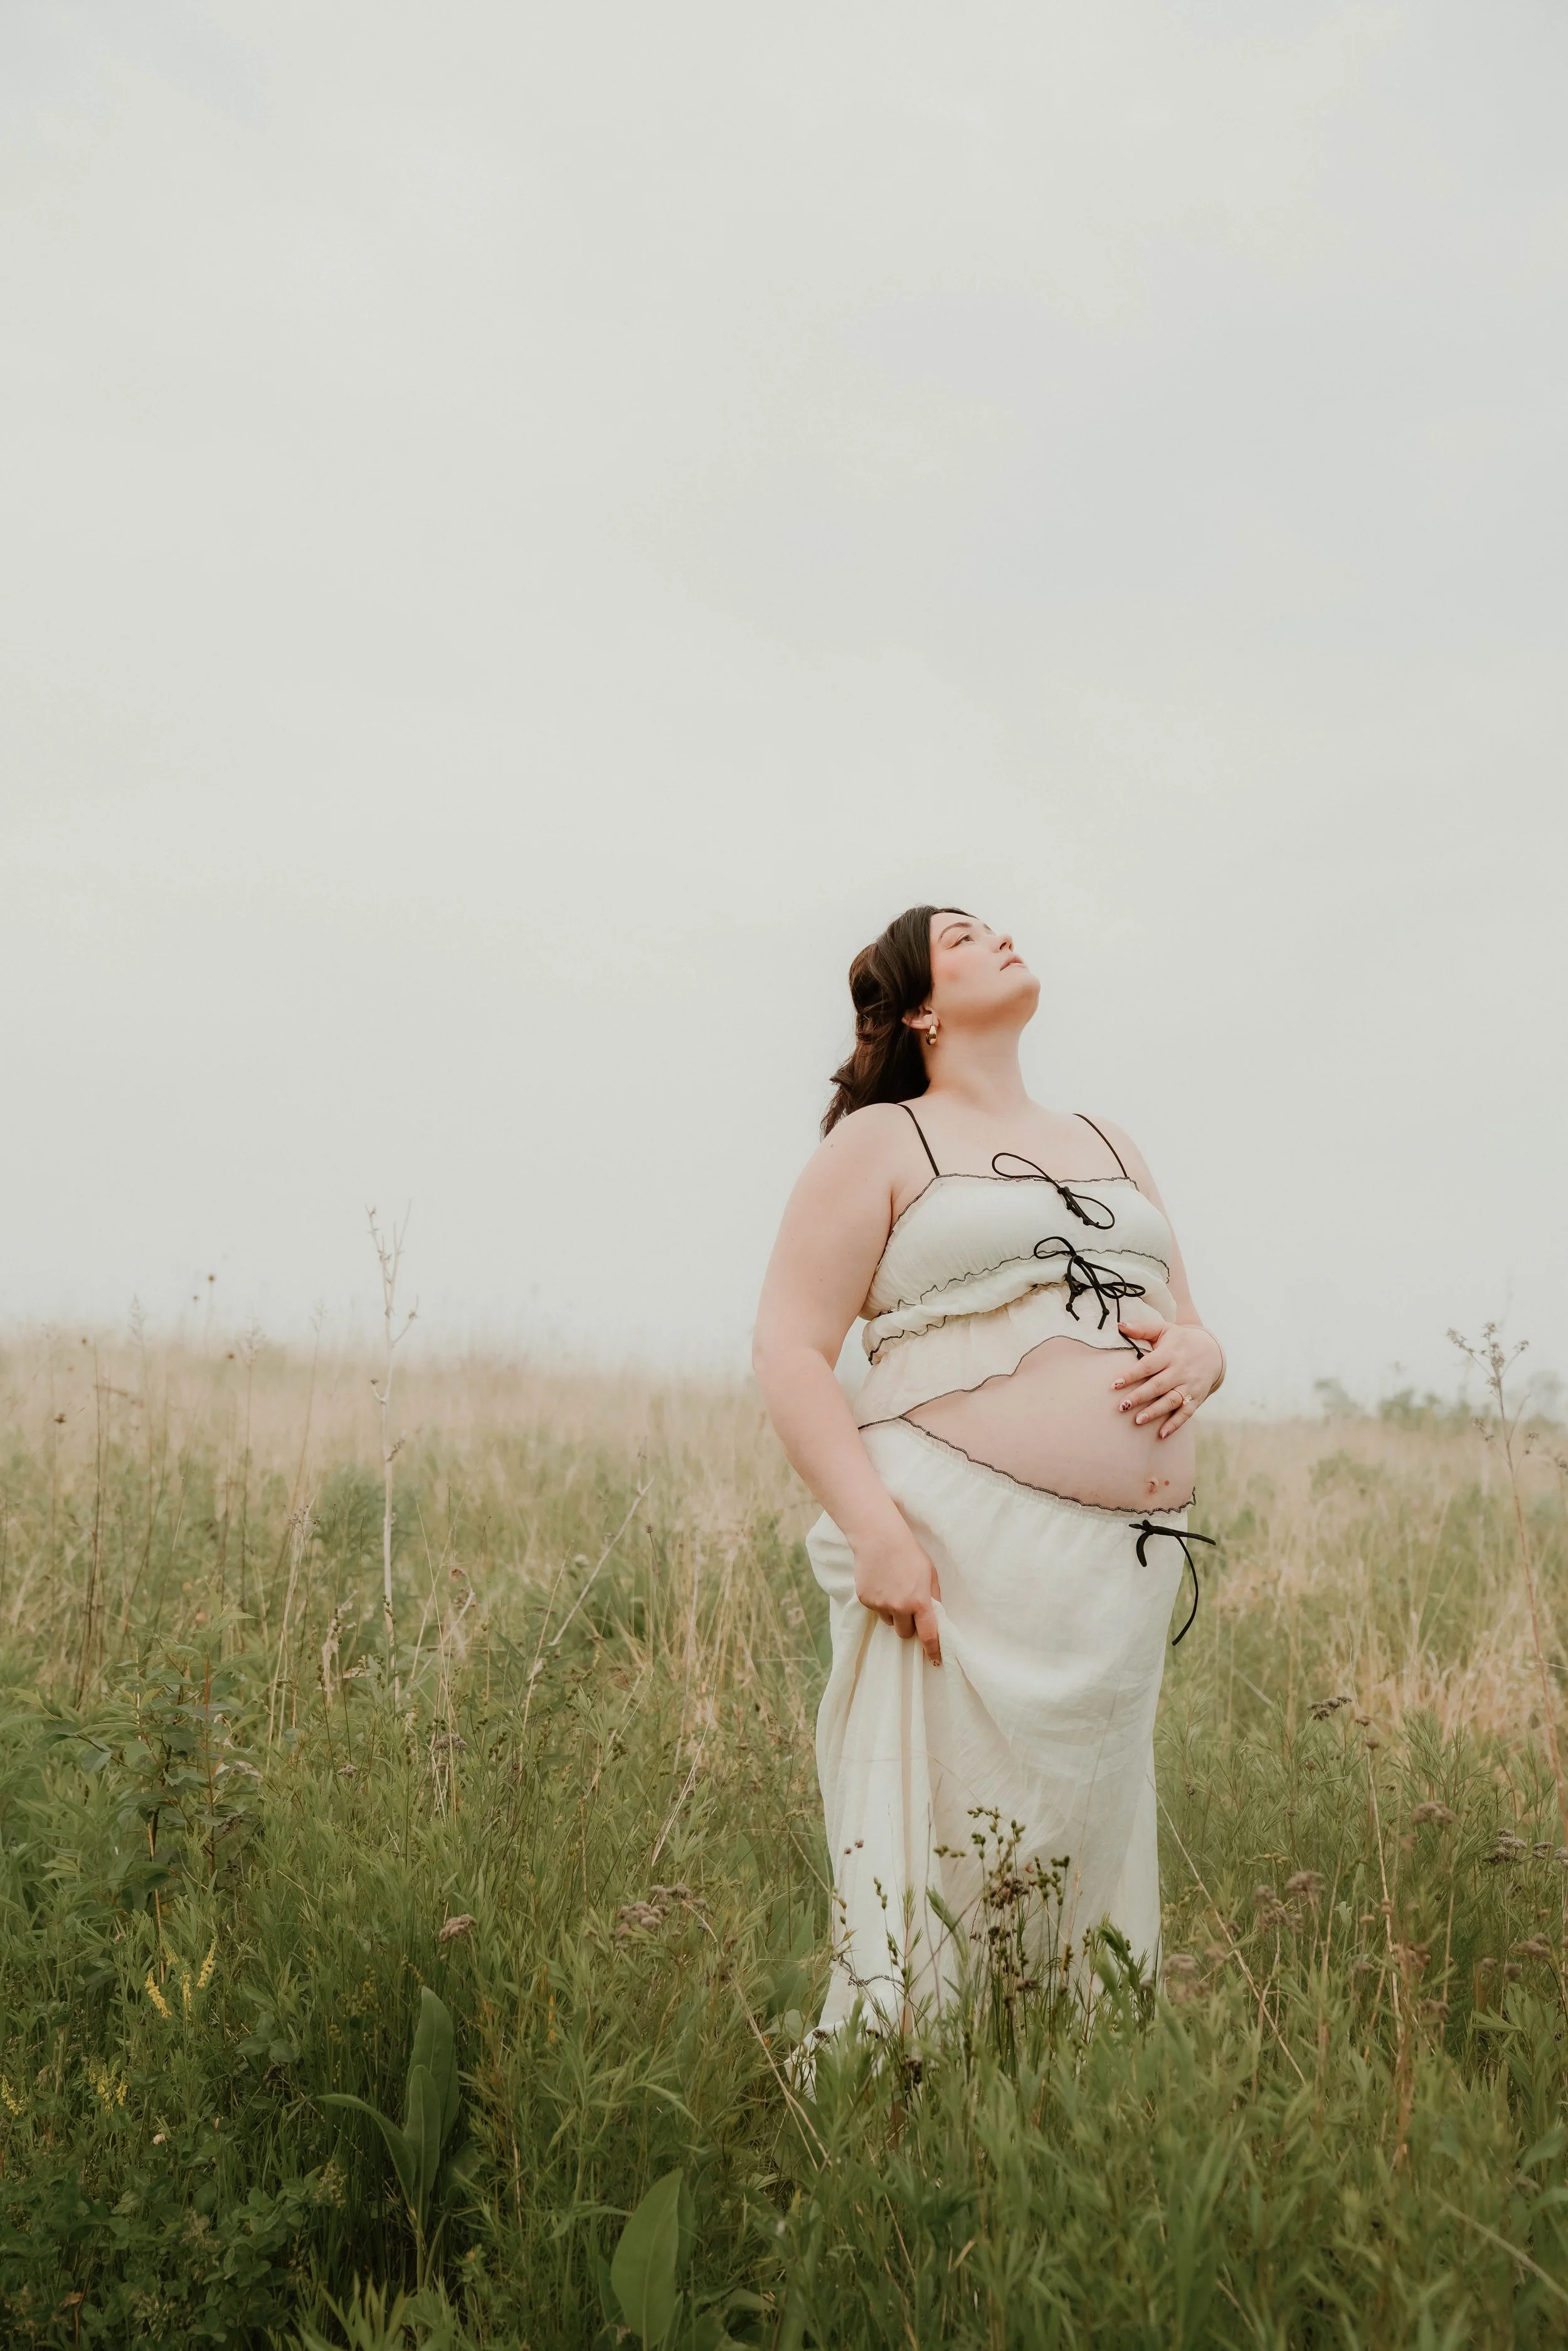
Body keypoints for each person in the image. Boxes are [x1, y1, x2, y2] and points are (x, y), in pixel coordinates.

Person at [751, 905, 1224, 2039]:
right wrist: (874, 1532)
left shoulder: (1112, 1142)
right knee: (954, 1838)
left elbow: (1190, 1326)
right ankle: (907, 2100)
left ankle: (1058, 2082)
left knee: (1082, 1833)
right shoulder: (881, 1144)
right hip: (958, 1549)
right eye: (963, 937)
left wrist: (1209, 1355)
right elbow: (789, 1349)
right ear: (920, 1008)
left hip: (1120, 1569)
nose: (1002, 936)